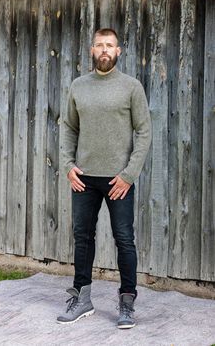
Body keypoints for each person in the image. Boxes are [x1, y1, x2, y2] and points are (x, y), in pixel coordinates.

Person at [57, 28, 152, 329]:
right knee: (82, 238)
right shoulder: (78, 86)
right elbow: (68, 128)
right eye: (99, 45)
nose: (104, 50)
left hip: (118, 179)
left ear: (119, 51)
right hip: (83, 178)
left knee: (124, 239)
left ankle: (127, 303)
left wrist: (129, 174)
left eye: (110, 45)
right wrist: (68, 165)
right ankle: (82, 299)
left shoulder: (131, 87)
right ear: (92, 49)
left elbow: (144, 131)